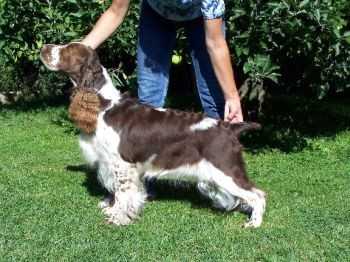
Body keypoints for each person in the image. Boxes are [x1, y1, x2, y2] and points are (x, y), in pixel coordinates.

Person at [82, 0, 243, 123]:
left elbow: (216, 43)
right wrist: (80, 49)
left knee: (215, 97)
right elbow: (115, 12)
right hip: (156, 14)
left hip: (200, 18)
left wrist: (233, 97)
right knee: (149, 100)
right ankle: (146, 159)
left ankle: (222, 157)